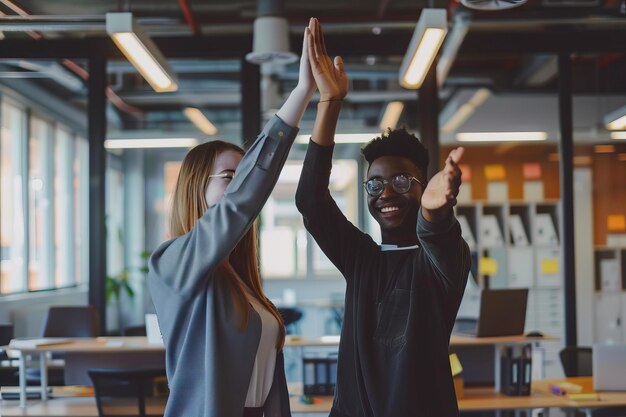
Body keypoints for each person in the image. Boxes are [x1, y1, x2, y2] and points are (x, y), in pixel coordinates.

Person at [296, 19, 471, 417]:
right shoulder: (361, 258)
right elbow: (310, 199)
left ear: (423, 184)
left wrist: (433, 208)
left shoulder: (442, 263)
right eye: (374, 185)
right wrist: (329, 104)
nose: (386, 193)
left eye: (401, 181)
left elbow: (436, 232)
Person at [148, 20, 321, 417]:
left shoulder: (239, 281)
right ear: (196, 187)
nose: (243, 186)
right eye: (230, 177)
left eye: (244, 177)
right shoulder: (172, 262)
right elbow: (239, 205)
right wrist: (300, 95)